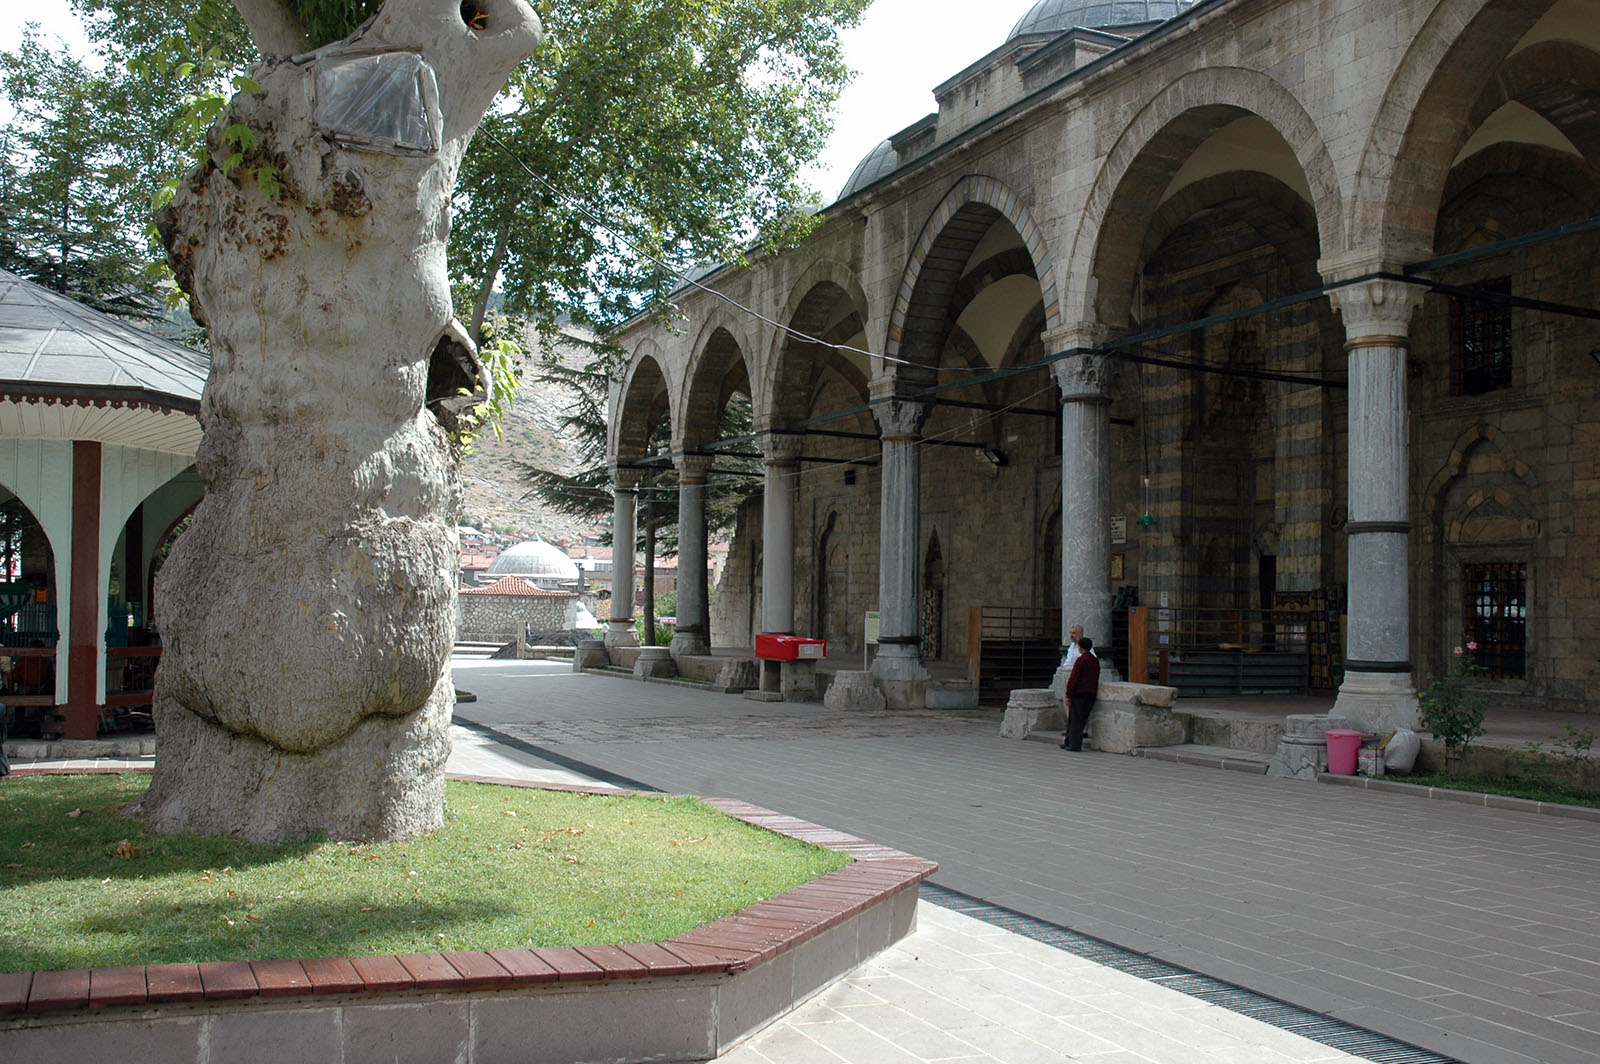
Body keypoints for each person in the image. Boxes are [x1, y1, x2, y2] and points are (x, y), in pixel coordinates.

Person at [1062, 636, 1100, 751]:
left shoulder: (1081, 660)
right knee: (1082, 719)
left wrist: (1068, 695)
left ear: (1081, 647)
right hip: (1091, 693)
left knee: (1075, 720)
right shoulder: (1095, 660)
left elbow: (1074, 678)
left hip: (1079, 693)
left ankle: (1074, 744)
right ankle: (1070, 741)